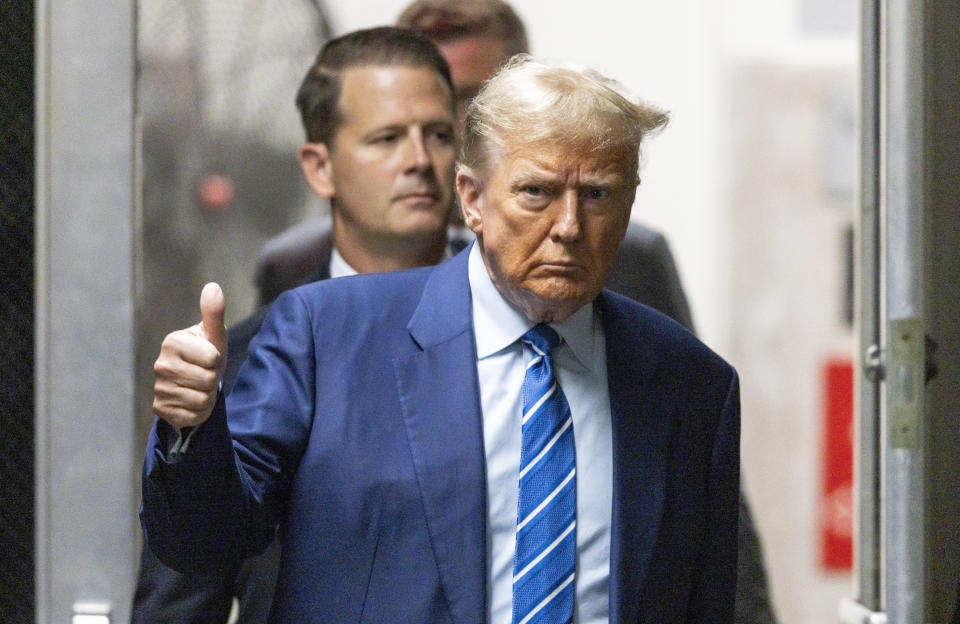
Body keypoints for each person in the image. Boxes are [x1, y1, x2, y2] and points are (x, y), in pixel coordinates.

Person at [142, 54, 740, 622]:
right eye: (536, 192)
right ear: (473, 199)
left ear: (631, 200)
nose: (568, 227)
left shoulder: (691, 386)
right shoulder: (328, 336)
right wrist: (191, 429)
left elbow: (703, 604)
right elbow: (204, 542)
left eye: (598, 195)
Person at [131, 27, 457, 623]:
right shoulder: (247, 360)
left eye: (438, 135)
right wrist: (191, 427)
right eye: (387, 138)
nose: (420, 161)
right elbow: (177, 604)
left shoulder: (523, 338)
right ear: (319, 167)